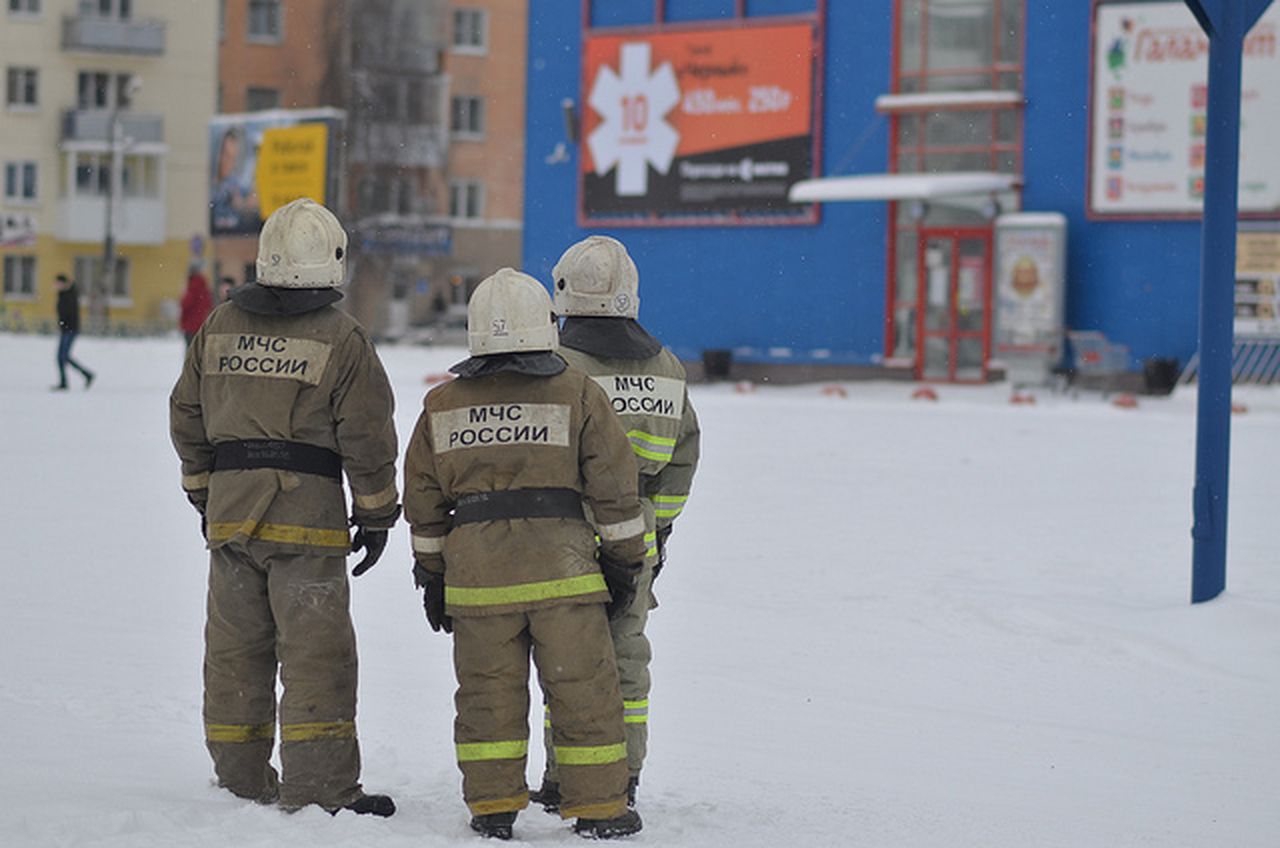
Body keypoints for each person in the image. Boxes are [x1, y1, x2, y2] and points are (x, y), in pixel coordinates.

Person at [169, 198, 400, 817]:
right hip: (309, 522)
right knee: (315, 655)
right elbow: (368, 435)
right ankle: (320, 789)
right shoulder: (342, 338)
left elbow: (187, 415)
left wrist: (204, 492)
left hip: (232, 516)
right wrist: (376, 514)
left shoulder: (218, 325)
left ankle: (241, 776)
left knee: (235, 650)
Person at [403, 268, 647, 840]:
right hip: (564, 579)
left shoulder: (441, 404)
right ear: (548, 327)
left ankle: (493, 806)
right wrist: (624, 560)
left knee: (487, 695)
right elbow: (614, 484)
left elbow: (423, 497)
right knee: (584, 693)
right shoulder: (578, 392)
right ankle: (600, 808)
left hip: (478, 583)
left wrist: (433, 574)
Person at [530, 235, 700, 813]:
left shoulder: (554, 362)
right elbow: (681, 456)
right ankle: (622, 777)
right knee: (626, 660)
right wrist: (660, 533)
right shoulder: (667, 366)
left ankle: (563, 777)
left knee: (568, 660)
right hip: (638, 534)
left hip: (564, 533)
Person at [52, 273, 94, 390]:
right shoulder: (63, 294)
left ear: (63, 283)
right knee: (62, 357)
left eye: (58, 283)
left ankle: (73, 379)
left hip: (70, 330)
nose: (56, 285)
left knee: (63, 357)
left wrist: (65, 326)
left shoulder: (69, 295)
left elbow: (69, 314)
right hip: (66, 329)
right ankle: (85, 375)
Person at [180, 265, 214, 345]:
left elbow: (185, 304)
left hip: (190, 325)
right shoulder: (205, 287)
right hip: (202, 325)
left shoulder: (192, 287)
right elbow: (209, 304)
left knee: (191, 352)